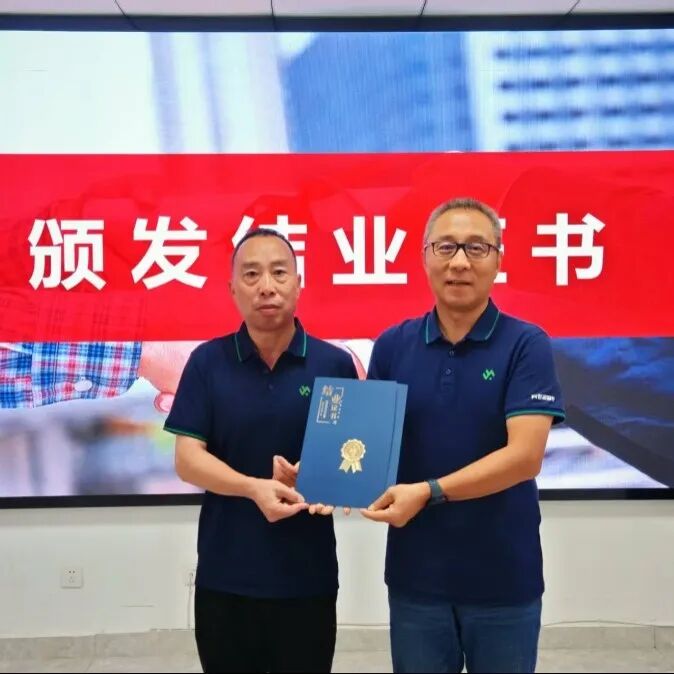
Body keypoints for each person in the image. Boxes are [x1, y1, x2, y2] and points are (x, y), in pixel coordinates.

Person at [361, 197, 565, 674]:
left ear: (498, 260)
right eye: (445, 246)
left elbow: (525, 457)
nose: (459, 262)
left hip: (503, 580)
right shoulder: (392, 345)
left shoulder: (526, 344)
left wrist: (429, 491)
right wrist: (320, 470)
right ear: (425, 257)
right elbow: (368, 445)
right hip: (416, 581)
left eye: (476, 248)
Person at [164, 229, 358, 673]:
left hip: (307, 577)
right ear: (233, 289)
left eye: (279, 273)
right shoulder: (207, 362)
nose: (266, 286)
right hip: (225, 576)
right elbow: (187, 460)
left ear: (299, 283)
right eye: (251, 275)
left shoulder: (334, 364)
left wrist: (318, 475)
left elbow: (351, 458)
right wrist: (254, 487)